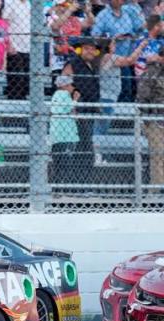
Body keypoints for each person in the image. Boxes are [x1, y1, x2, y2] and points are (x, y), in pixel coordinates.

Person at [63, 36, 100, 184]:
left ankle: (83, 181)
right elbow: (61, 81)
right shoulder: (74, 63)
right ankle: (77, 181)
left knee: (85, 145)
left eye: (92, 49)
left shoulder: (92, 66)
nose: (90, 51)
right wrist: (73, 93)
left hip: (89, 110)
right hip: (78, 110)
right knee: (83, 146)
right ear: (80, 50)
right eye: (87, 48)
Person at [91, 0, 144, 101]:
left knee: (127, 91)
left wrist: (133, 35)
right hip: (109, 61)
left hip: (127, 59)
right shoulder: (103, 15)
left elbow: (141, 28)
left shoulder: (128, 12)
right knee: (114, 93)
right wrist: (113, 38)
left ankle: (123, 115)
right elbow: (95, 35)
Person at [137, 57, 164, 187]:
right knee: (158, 155)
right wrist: (148, 120)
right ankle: (157, 190)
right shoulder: (152, 72)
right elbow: (142, 97)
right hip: (156, 121)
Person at [50, 74, 80, 187]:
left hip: (58, 135)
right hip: (64, 134)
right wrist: (75, 100)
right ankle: (63, 186)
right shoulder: (63, 94)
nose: (72, 87)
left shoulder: (57, 95)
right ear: (65, 86)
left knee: (58, 162)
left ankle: (58, 186)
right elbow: (67, 108)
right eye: (70, 85)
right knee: (65, 163)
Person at [2, 0, 30, 99]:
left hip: (27, 48)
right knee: (16, 80)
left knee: (26, 81)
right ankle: (13, 106)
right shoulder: (10, 2)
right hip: (14, 47)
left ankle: (23, 106)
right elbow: (4, 23)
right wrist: (9, 44)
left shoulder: (28, 3)